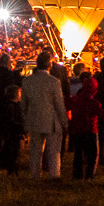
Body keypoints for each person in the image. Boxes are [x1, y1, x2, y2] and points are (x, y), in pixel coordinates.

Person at [22, 50, 67, 179]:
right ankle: (54, 175)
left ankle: (35, 174)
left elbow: (23, 104)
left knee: (35, 150)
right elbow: (59, 104)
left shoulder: (27, 81)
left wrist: (25, 119)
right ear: (49, 64)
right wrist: (64, 121)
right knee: (53, 150)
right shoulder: (54, 82)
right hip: (51, 121)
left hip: (34, 119)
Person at [68, 75, 104, 180]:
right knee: (93, 154)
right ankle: (90, 174)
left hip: (78, 130)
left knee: (78, 153)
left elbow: (67, 105)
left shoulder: (76, 99)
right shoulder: (94, 103)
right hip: (91, 130)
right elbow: (103, 115)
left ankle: (77, 174)